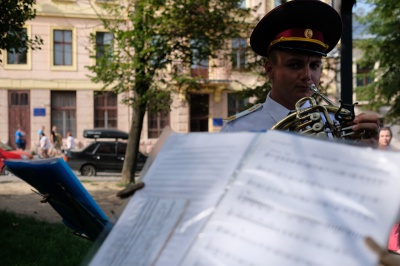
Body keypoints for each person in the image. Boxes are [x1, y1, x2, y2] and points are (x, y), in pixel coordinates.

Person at [220, 0, 379, 142]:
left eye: (315, 65)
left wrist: (370, 150)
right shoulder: (237, 130)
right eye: (295, 65)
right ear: (270, 69)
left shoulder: (341, 125)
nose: (307, 76)